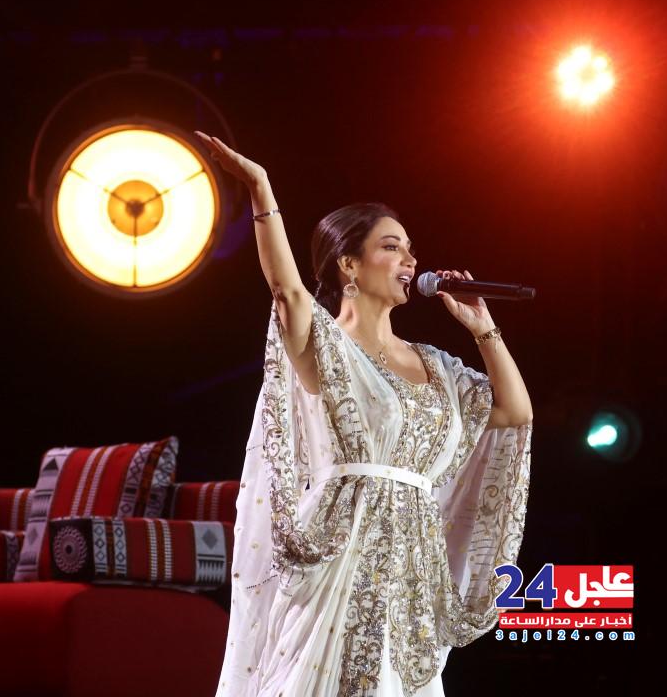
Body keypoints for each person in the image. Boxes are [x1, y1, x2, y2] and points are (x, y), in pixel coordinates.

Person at [195, 131, 533, 697]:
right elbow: (287, 292)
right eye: (392, 247)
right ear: (348, 264)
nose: (411, 260)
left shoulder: (436, 365)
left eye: (410, 249)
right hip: (341, 554)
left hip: (411, 569)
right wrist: (261, 189)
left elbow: (513, 411)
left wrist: (484, 329)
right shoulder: (327, 346)